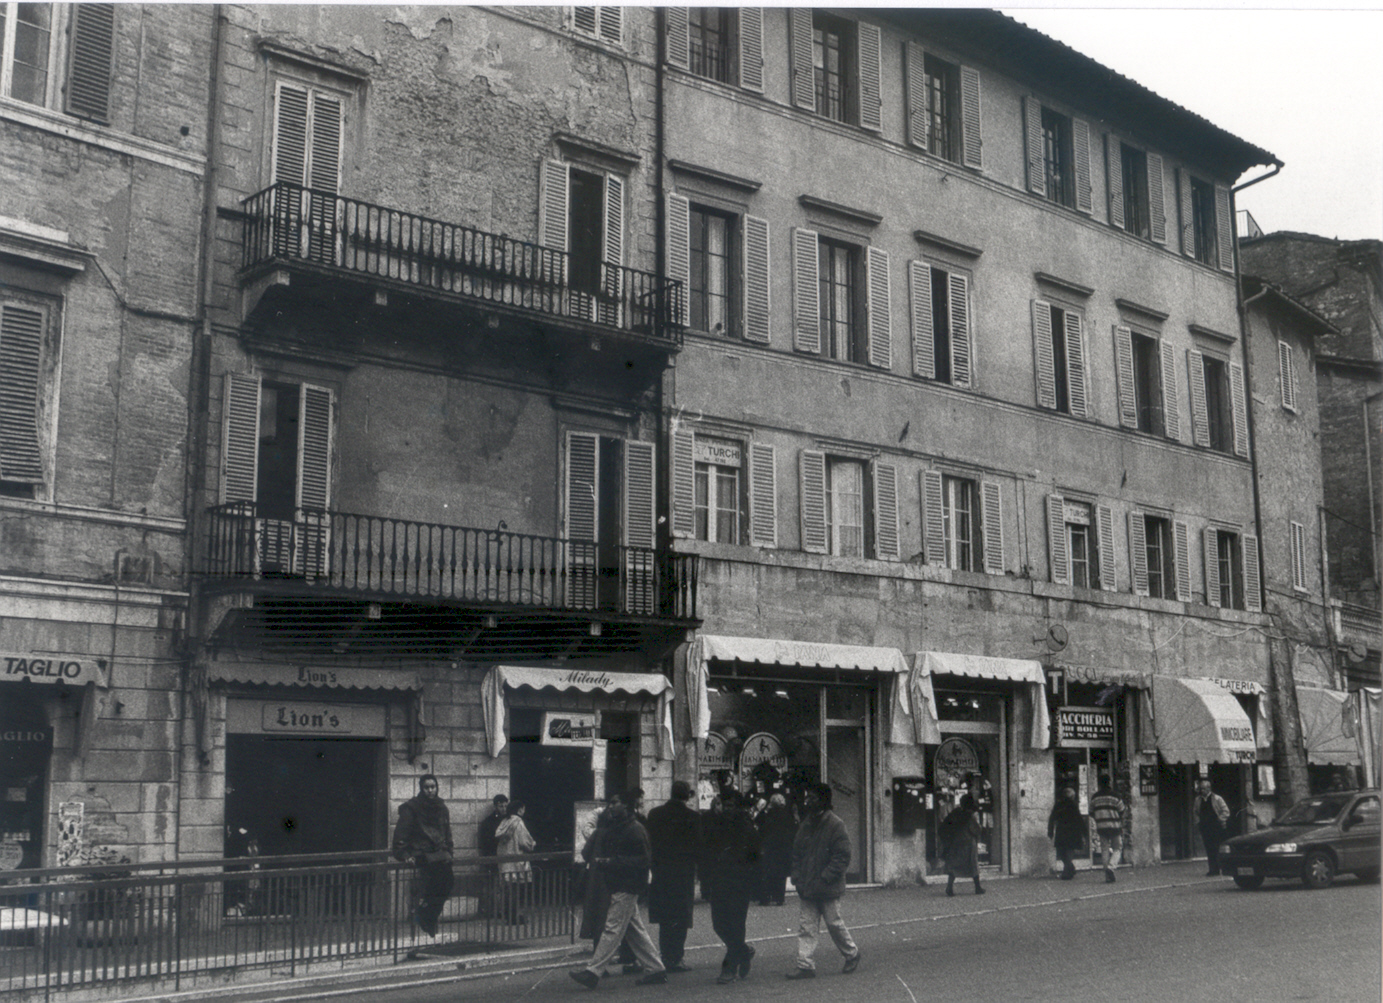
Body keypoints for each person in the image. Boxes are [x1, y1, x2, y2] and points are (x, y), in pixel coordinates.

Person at [569, 789, 667, 989]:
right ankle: (656, 968)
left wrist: (612, 862)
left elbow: (644, 860)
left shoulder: (634, 829)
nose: (611, 806)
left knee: (612, 929)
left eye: (615, 802)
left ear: (626, 805)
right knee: (634, 930)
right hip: (622, 883)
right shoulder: (623, 827)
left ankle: (593, 971)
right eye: (610, 803)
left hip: (627, 884)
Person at [786, 782, 860, 979]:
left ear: (824, 801)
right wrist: (796, 876)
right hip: (808, 886)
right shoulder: (806, 823)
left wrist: (826, 877)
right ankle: (805, 965)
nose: (807, 801)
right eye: (807, 797)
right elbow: (796, 853)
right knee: (806, 926)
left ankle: (852, 954)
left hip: (827, 886)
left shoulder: (836, 824)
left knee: (833, 923)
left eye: (812, 798)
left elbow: (842, 856)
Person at [645, 780, 702, 973]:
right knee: (680, 917)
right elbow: (698, 847)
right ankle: (676, 957)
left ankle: (664, 955)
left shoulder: (655, 814)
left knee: (665, 917)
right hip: (683, 873)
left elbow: (649, 842)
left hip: (661, 872)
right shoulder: (693, 817)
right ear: (687, 796)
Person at [704, 790, 761, 983]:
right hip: (719, 880)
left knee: (736, 924)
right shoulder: (716, 825)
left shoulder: (746, 826)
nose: (725, 809)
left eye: (730, 806)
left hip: (739, 882)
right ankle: (744, 951)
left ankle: (729, 968)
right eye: (722, 804)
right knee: (719, 923)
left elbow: (755, 855)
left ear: (738, 807)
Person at [391, 775, 454, 937]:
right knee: (437, 884)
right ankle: (426, 918)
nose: (430, 790)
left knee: (447, 884)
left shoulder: (441, 807)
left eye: (433, 787)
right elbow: (400, 835)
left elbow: (447, 832)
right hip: (422, 854)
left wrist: (450, 851)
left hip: (440, 855)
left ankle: (425, 916)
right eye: (427, 787)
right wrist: (405, 854)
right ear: (421, 788)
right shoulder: (412, 808)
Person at [495, 799, 536, 924]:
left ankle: (507, 916)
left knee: (507, 890)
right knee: (516, 890)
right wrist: (533, 844)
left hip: (504, 861)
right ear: (519, 810)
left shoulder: (504, 821)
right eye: (523, 809)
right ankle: (514, 917)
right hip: (516, 861)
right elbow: (525, 842)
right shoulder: (518, 822)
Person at [939, 794, 985, 897]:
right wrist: (980, 827)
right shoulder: (970, 816)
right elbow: (976, 830)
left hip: (956, 843)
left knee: (954, 866)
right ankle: (977, 887)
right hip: (968, 844)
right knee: (973, 865)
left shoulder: (956, 813)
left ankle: (949, 887)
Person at [756, 793, 795, 906]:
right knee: (781, 874)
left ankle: (766, 897)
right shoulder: (787, 815)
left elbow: (759, 823)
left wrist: (763, 810)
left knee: (768, 872)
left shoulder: (768, 815)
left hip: (769, 846)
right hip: (783, 847)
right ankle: (779, 897)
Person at [1088, 780, 1126, 883]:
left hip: (1101, 826)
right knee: (1117, 848)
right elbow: (1122, 810)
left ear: (1100, 785)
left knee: (1104, 849)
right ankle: (1111, 867)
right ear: (1109, 783)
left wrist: (1099, 818)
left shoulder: (1095, 797)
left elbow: (1090, 812)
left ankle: (1107, 875)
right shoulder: (1115, 796)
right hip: (1114, 826)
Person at [477, 794, 508, 918]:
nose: (504, 809)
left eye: (506, 806)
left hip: (505, 858)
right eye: (501, 806)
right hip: (493, 858)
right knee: (494, 886)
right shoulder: (488, 822)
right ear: (495, 806)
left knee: (504, 886)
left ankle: (502, 910)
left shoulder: (509, 820)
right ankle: (493, 911)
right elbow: (486, 842)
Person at [1194, 779, 1231, 876]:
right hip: (1205, 827)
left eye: (1204, 789)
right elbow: (1195, 812)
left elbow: (1226, 811)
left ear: (1209, 788)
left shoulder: (1217, 798)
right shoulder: (1198, 800)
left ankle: (1220, 868)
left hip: (1216, 827)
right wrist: (1198, 822)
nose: (1202, 791)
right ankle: (1212, 869)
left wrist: (1220, 819)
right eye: (1201, 789)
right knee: (1209, 848)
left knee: (1217, 848)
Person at [1047, 787, 1085, 881]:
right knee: (1068, 851)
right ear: (1072, 796)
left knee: (1062, 851)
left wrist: (1050, 830)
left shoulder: (1059, 804)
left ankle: (1067, 871)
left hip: (1062, 830)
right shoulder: (1072, 805)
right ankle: (1069, 869)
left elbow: (1052, 818)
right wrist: (1084, 832)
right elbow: (1079, 819)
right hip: (1072, 831)